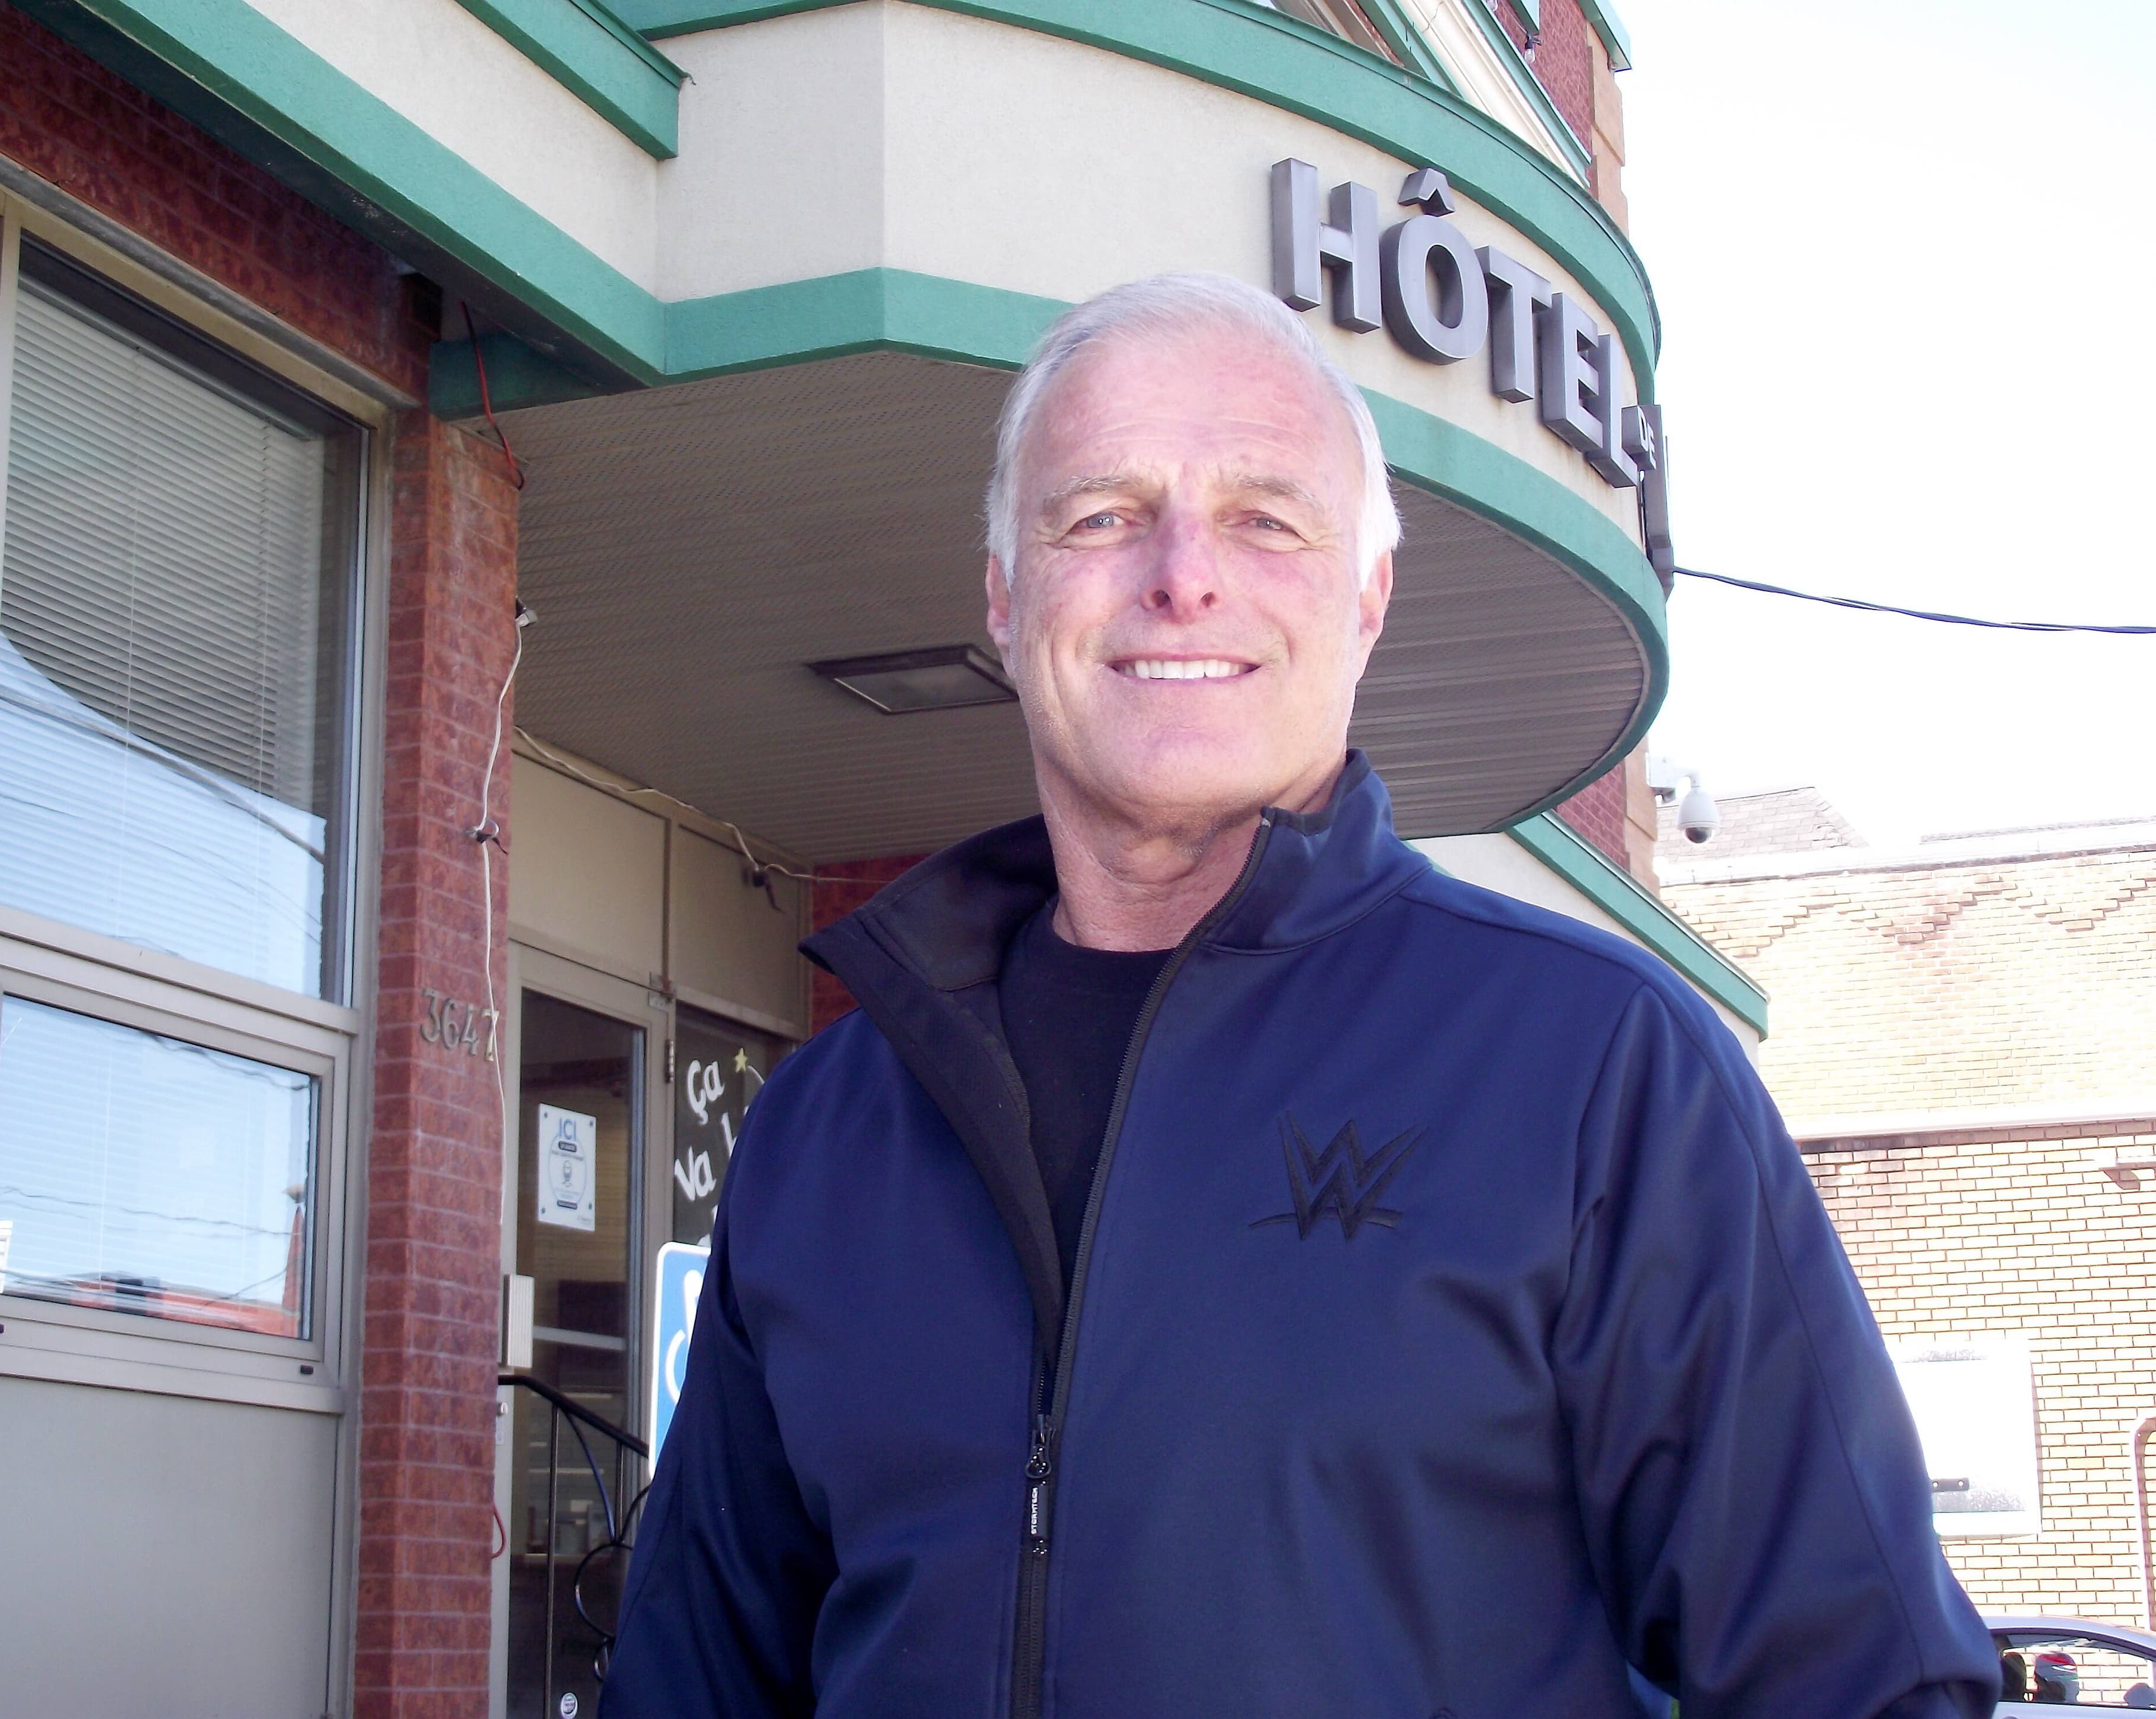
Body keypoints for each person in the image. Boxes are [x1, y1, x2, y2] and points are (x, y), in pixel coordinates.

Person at [599, 273, 2000, 1718]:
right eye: (1100, 515)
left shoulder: (1597, 1070)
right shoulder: (833, 1119)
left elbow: (1859, 1680)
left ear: (1368, 595)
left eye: (1267, 518)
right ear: (1008, 598)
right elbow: (693, 1678)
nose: (1183, 575)